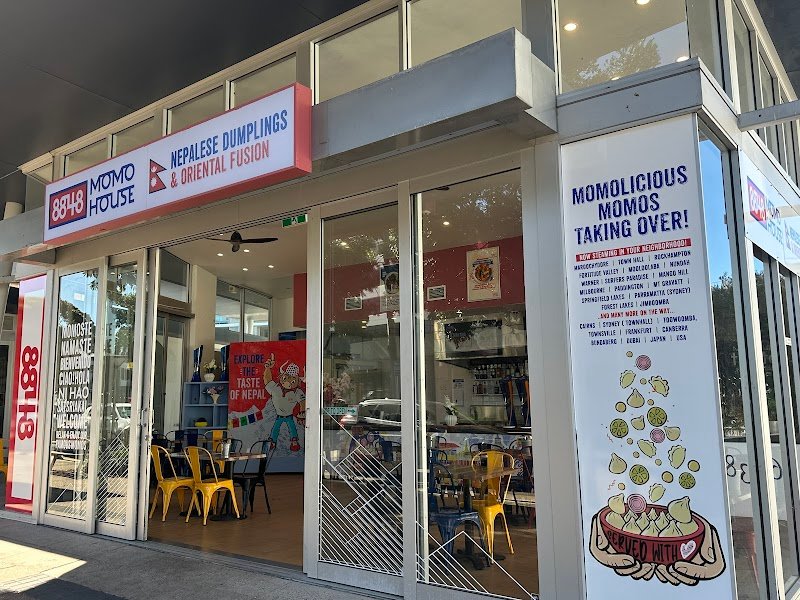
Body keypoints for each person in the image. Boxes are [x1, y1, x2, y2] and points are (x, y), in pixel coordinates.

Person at [263, 353, 305, 452]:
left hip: (289, 415)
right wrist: (268, 369)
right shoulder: (276, 388)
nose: (287, 383)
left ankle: (294, 441)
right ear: (282, 377)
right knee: (276, 428)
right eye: (285, 379)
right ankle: (272, 441)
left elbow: (303, 401)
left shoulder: (297, 392)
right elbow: (267, 380)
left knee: (292, 428)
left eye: (292, 381)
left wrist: (302, 413)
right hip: (279, 416)